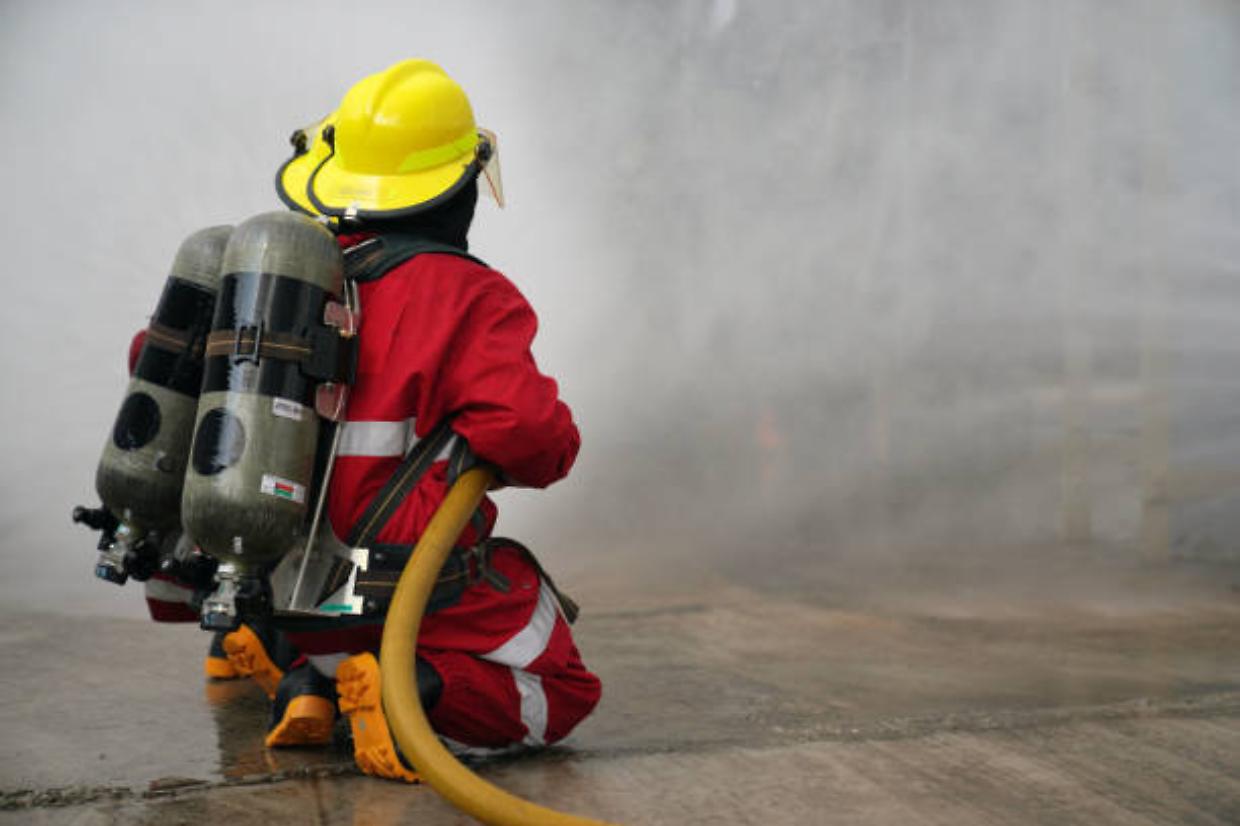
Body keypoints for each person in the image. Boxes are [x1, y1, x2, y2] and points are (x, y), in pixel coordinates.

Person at [259, 59, 601, 780]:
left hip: (287, 597)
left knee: (333, 631)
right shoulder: (466, 294)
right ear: (457, 187)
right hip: (398, 603)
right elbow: (531, 435)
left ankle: (310, 683)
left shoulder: (292, 283)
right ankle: (399, 691)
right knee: (558, 688)